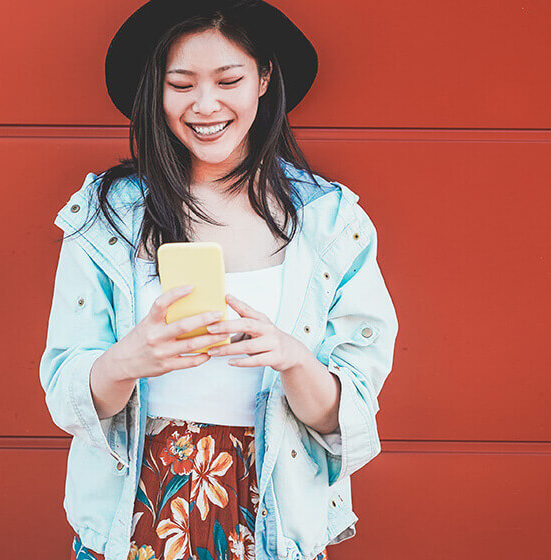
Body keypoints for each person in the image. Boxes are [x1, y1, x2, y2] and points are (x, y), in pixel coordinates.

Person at [39, 1, 399, 559]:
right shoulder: (107, 216)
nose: (205, 105)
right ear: (155, 91)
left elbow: (345, 413)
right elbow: (66, 394)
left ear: (264, 77)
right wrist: (130, 358)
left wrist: (293, 356)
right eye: (180, 84)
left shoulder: (330, 223)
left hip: (273, 512)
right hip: (139, 503)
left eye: (228, 79)